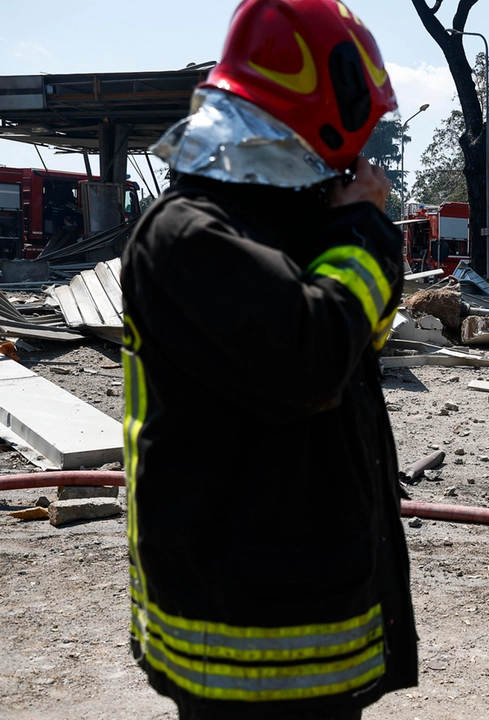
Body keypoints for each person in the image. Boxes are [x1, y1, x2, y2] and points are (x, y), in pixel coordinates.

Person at [120, 2, 415, 718]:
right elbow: (312, 359)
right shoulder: (189, 236)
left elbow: (354, 342)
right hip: (246, 642)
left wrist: (352, 235)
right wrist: (367, 233)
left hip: (300, 611)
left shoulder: (277, 229)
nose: (355, 163)